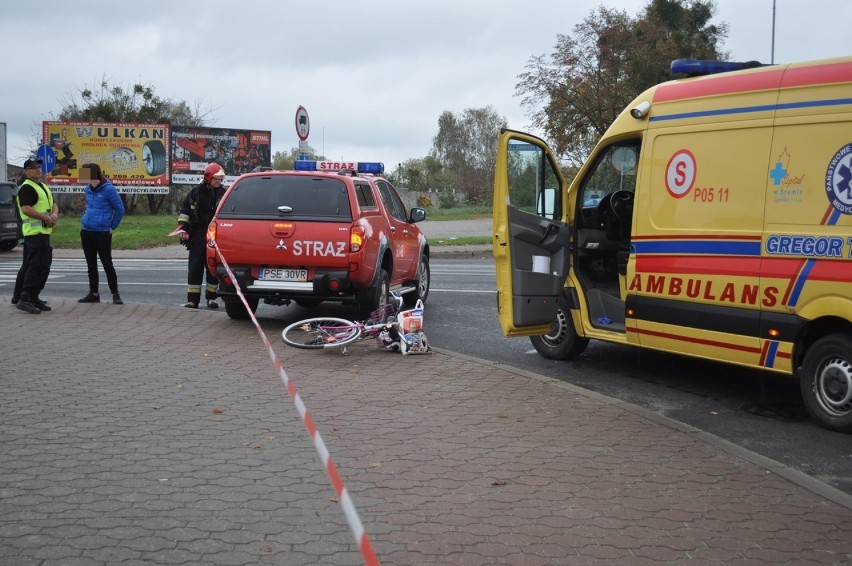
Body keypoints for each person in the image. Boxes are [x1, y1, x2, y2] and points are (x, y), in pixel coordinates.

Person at [176, 163, 226, 308]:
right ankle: (192, 300)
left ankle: (211, 298)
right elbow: (185, 212)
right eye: (216, 179)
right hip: (197, 234)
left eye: (220, 179)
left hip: (214, 235)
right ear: (208, 177)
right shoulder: (195, 193)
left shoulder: (223, 194)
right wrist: (183, 229)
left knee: (212, 267)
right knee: (195, 266)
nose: (218, 182)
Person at [12, 158, 58, 314]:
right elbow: (26, 209)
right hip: (34, 234)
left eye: (39, 167)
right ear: (26, 171)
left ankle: (33, 296)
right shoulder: (27, 188)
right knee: (35, 267)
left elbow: (53, 204)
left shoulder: (42, 186)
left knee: (43, 266)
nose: (38, 170)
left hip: (44, 234)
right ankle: (25, 298)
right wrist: (45, 217)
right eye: (33, 168)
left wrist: (54, 214)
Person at [77, 163, 125, 305]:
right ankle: (94, 293)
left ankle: (115, 294)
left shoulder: (108, 189)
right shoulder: (88, 189)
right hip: (87, 231)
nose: (82, 175)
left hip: (102, 232)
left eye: (84, 172)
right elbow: (90, 207)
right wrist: (85, 220)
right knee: (91, 264)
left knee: (106, 263)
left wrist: (112, 226)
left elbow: (120, 208)